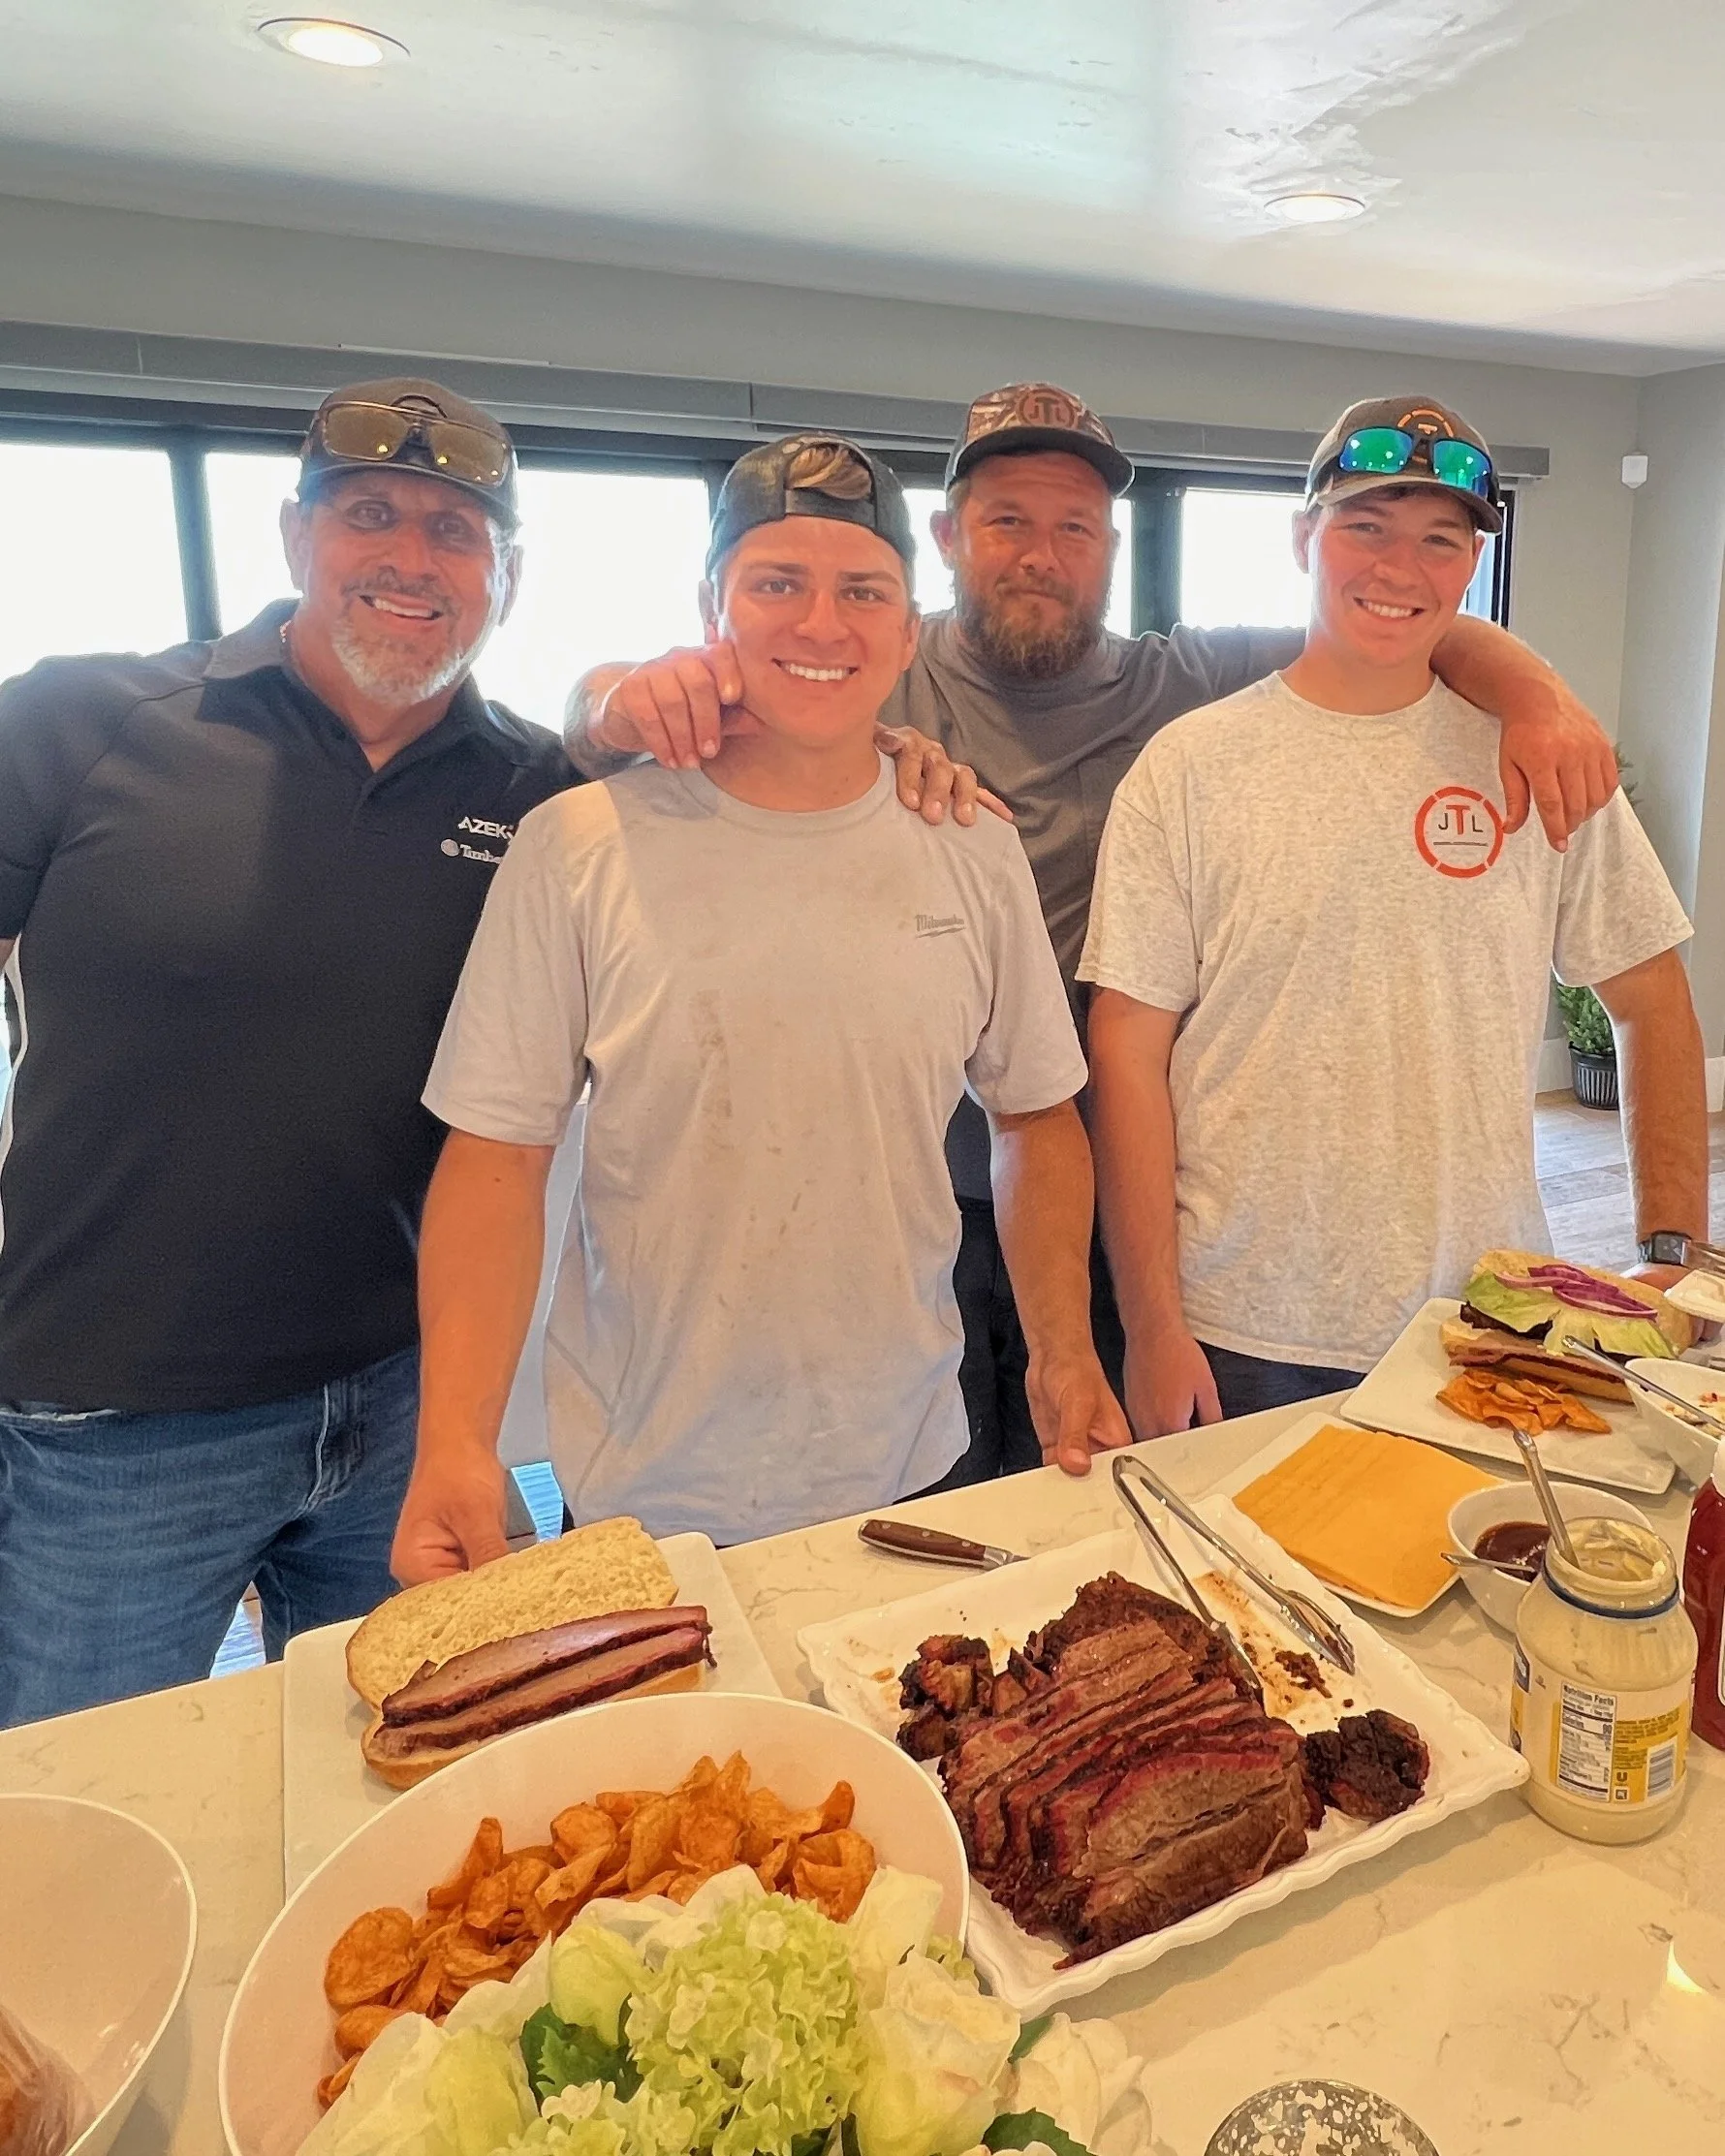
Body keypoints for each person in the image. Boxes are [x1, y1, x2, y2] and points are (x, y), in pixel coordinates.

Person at [0, 382, 982, 1727]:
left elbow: (718, 770)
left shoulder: (527, 791)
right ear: (296, 537)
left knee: (401, 1772)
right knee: (87, 1798)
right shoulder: (77, 723)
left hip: (404, 1396)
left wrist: (895, 749)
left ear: (506, 577)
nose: (413, 558)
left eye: (459, 533)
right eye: (371, 516)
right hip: (117, 1415)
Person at [564, 382, 1622, 1473]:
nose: (1041, 553)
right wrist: (601, 696)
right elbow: (648, 704)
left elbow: (1403, 624)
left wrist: (1541, 697)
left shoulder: (1181, 681)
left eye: (1074, 526)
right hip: (894, 1192)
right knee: (901, 1484)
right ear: (945, 536)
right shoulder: (858, 661)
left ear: (1110, 545)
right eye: (1007, 519)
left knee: (1081, 1479)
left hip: (1087, 1178)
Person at [391, 433, 1130, 1582]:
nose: (822, 626)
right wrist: (455, 1441)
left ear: (906, 628)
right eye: (777, 584)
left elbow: (1035, 1116)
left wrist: (1063, 1350)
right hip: (648, 1481)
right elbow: (497, 1156)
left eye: (861, 591)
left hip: (910, 1449)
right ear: (711, 607)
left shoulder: (971, 843)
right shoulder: (577, 844)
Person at [1080, 395, 1707, 1431]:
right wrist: (1152, 1325)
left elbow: (1650, 996)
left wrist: (1669, 1251)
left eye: (1437, 539)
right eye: (1364, 526)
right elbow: (1128, 1050)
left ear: (1467, 569)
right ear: (1302, 537)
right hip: (1240, 1325)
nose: (1398, 567)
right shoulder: (1190, 768)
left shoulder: (1535, 759)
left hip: (1484, 1310)